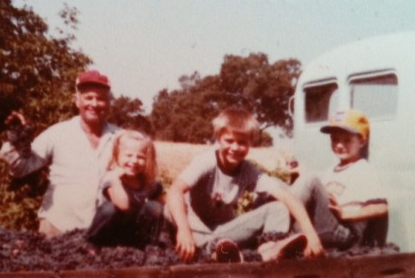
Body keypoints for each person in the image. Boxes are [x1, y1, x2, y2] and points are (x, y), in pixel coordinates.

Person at [166, 107, 323, 262]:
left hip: (225, 233)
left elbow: (286, 196)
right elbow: (174, 190)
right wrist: (183, 230)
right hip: (197, 233)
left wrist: (311, 234)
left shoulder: (247, 170)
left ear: (250, 143)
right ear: (218, 138)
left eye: (242, 143)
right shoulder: (207, 161)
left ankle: (269, 250)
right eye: (229, 141)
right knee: (170, 208)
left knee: (278, 207)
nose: (235, 148)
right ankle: (213, 252)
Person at [0, 70, 120, 237]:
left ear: (108, 103)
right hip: (57, 228)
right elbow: (22, 168)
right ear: (76, 101)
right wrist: (16, 142)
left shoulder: (120, 138)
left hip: (102, 235)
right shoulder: (58, 133)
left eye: (100, 98)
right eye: (88, 97)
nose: (94, 103)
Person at [289, 109, 388, 249]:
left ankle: (280, 233)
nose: (339, 145)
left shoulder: (364, 169)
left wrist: (345, 213)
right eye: (335, 139)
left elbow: (381, 207)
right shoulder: (330, 171)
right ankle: (276, 236)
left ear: (361, 141)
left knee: (310, 179)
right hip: (327, 227)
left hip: (346, 233)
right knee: (279, 189)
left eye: (347, 140)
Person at [86, 130, 164, 247]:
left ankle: (148, 244)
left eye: (140, 157)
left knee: (154, 207)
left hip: (134, 231)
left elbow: (162, 202)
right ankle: (92, 243)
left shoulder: (148, 183)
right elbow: (123, 205)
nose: (134, 161)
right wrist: (115, 179)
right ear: (117, 156)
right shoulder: (111, 179)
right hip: (112, 230)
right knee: (109, 208)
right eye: (128, 155)